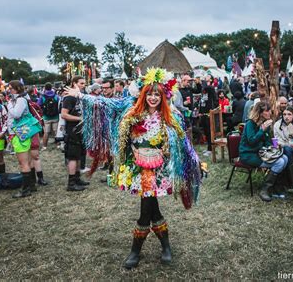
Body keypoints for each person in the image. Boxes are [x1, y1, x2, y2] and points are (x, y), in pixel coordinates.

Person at [68, 67, 202, 269]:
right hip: (138, 169)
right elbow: (106, 103)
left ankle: (137, 251)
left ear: (163, 96)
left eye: (157, 94)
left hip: (158, 170)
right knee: (151, 207)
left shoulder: (170, 116)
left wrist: (194, 161)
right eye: (149, 93)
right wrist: (80, 95)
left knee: (146, 209)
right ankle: (163, 248)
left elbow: (184, 143)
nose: (153, 98)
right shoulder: (131, 111)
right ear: (143, 94)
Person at [239, 102, 289, 202]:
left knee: (285, 158)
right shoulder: (250, 124)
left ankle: (275, 187)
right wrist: (262, 130)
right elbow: (252, 141)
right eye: (267, 110)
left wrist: (274, 146)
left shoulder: (264, 123)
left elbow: (267, 142)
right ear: (260, 112)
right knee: (279, 162)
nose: (270, 112)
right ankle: (265, 189)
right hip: (248, 155)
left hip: (260, 153)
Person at [7, 80, 42, 198]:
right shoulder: (21, 99)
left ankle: (26, 189)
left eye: (11, 88)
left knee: (23, 163)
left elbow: (16, 114)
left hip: (20, 133)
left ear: (17, 88)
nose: (8, 90)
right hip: (22, 132)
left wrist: (9, 106)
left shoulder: (19, 100)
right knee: (27, 161)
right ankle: (31, 185)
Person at [61, 76, 89, 191]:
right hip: (72, 131)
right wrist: (80, 119)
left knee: (79, 156)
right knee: (73, 157)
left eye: (84, 83)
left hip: (81, 131)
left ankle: (77, 179)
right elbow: (64, 115)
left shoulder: (80, 97)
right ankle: (71, 184)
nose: (84, 85)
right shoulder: (69, 98)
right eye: (81, 83)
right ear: (74, 83)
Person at [273, 106, 293, 187]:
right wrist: (285, 144)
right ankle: (291, 182)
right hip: (280, 149)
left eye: (289, 114)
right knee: (286, 149)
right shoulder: (277, 124)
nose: (286, 116)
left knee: (288, 150)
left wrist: (292, 133)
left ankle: (292, 181)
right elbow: (276, 140)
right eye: (284, 114)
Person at [37, 82, 60, 150]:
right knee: (56, 132)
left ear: (45, 88)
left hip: (46, 117)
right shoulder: (56, 96)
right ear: (51, 88)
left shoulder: (42, 97)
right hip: (55, 116)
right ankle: (58, 145)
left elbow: (38, 105)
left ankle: (44, 146)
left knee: (46, 132)